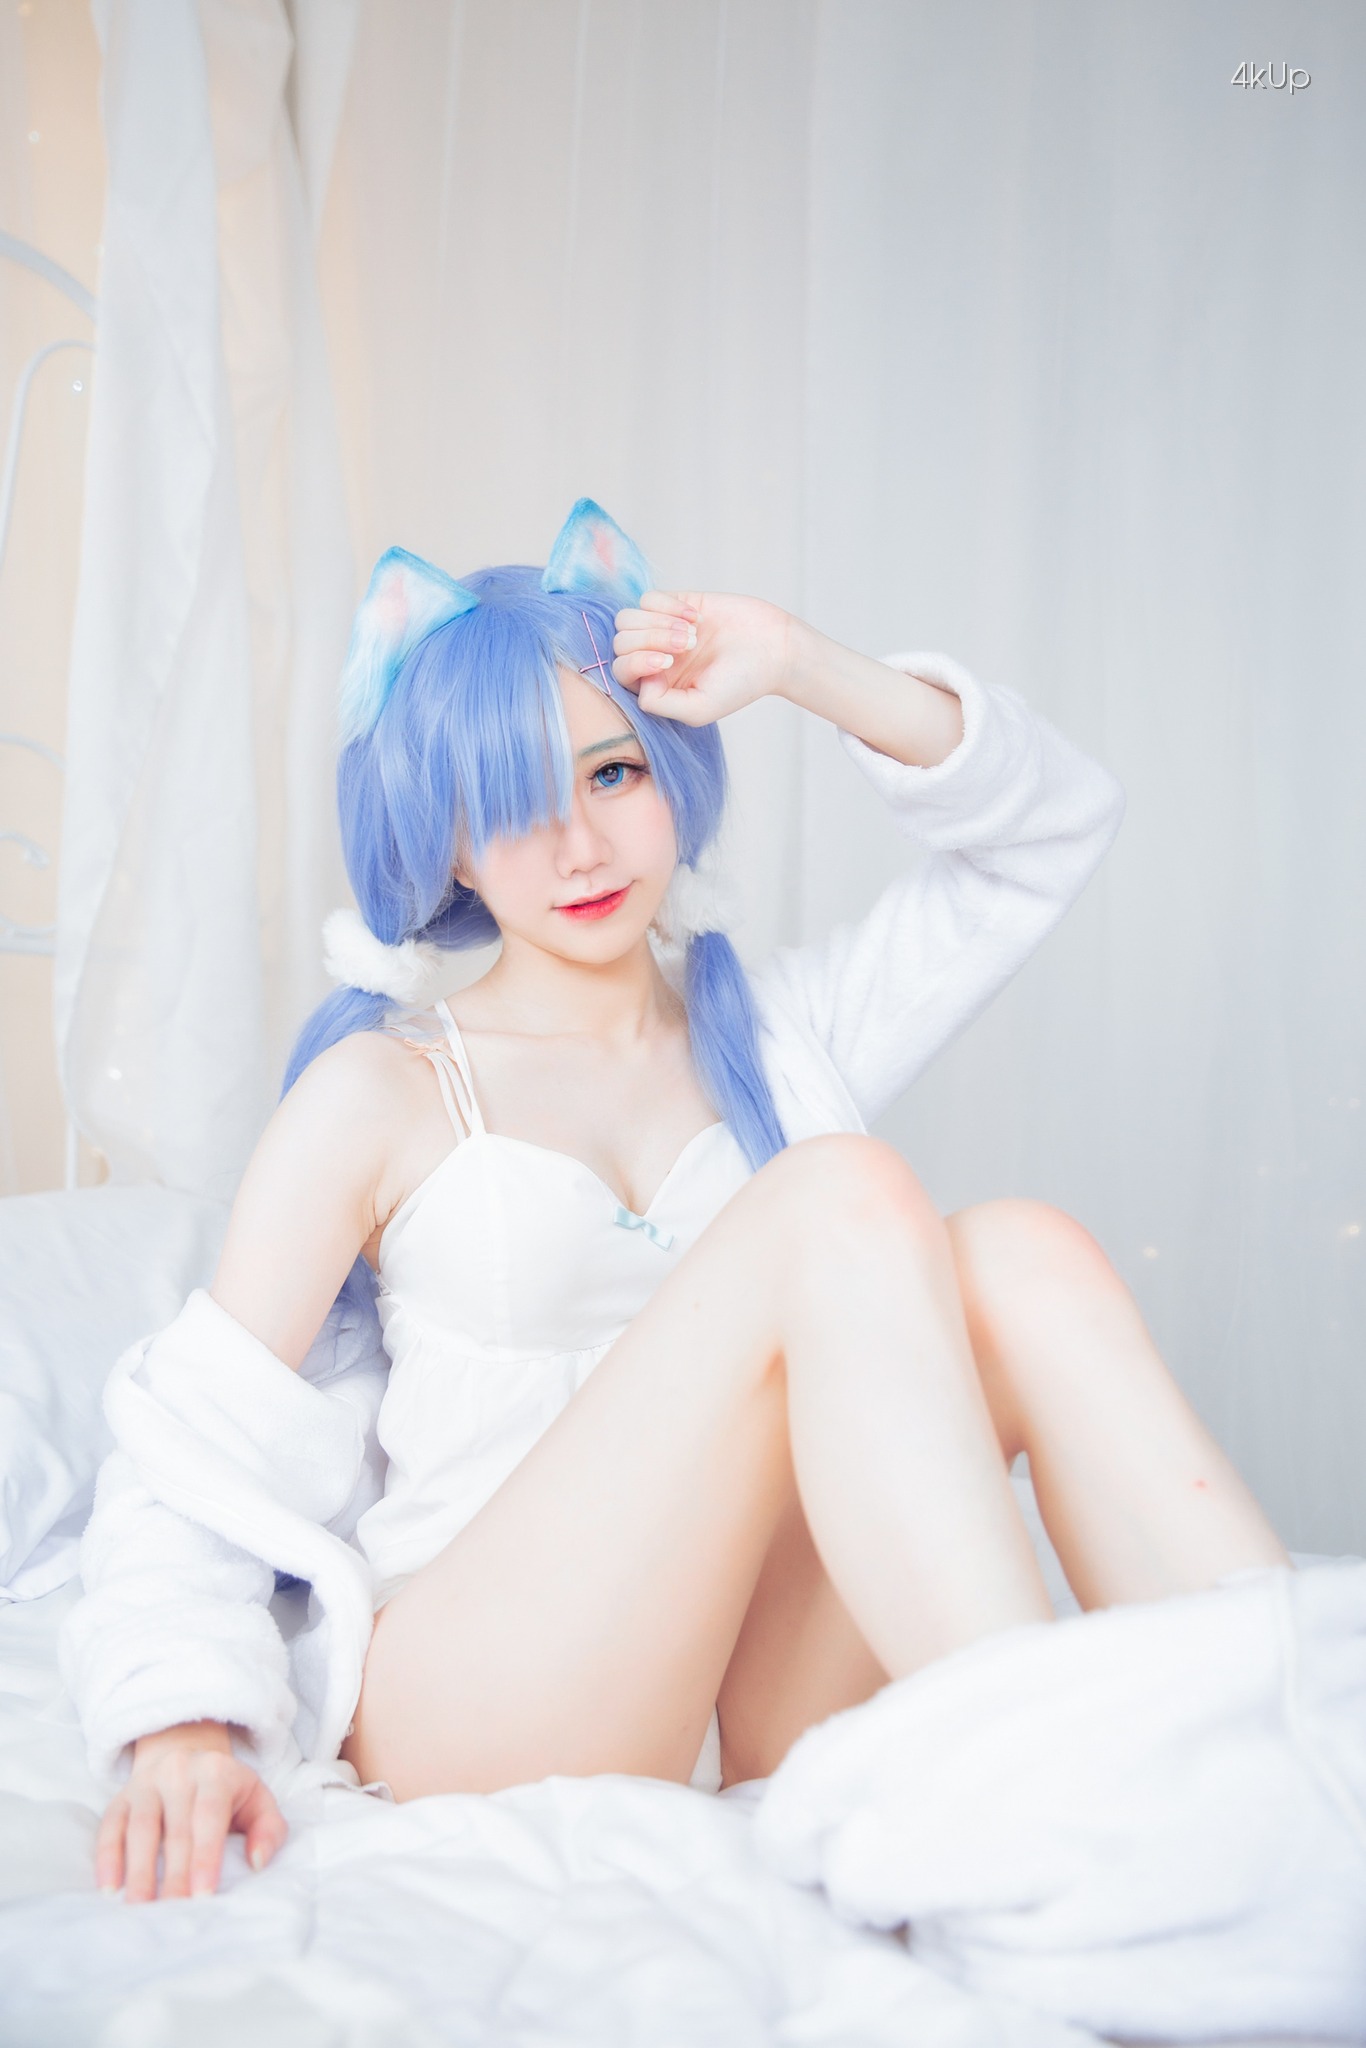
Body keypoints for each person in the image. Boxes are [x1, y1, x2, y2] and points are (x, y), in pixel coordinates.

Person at [84, 498, 1289, 1905]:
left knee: (1023, 1256)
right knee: (837, 1197)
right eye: (508, 807)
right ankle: (1042, 1819)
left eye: (612, 774)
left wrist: (799, 663)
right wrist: (179, 1716)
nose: (579, 848)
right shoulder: (382, 1088)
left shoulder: (780, 1042)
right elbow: (192, 1446)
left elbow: (1051, 831)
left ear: (669, 764)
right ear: (449, 846)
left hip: (741, 1695)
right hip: (482, 1698)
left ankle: (1297, 1751)